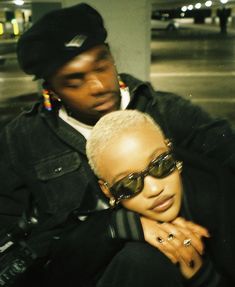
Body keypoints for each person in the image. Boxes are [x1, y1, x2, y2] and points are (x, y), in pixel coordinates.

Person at [0, 2, 235, 286]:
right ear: (51, 90)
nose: (98, 86)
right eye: (75, 81)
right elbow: (12, 240)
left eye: (102, 66)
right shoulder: (23, 139)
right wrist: (115, 227)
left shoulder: (169, 112)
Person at [86, 109, 235, 286]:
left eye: (160, 164)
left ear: (169, 148)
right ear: (107, 190)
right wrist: (123, 225)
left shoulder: (218, 194)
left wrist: (203, 277)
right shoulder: (92, 203)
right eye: (128, 183)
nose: (155, 189)